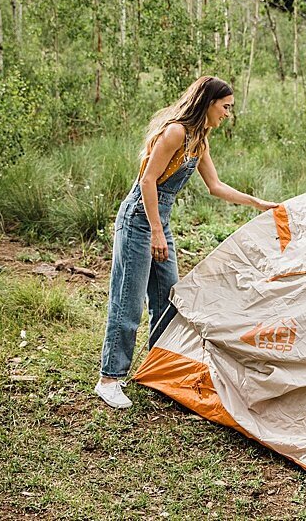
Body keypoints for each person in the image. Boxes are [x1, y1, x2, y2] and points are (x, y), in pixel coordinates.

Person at [95, 76, 278, 409]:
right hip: (139, 218)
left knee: (168, 299)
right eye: (225, 107)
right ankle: (110, 378)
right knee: (128, 302)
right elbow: (148, 181)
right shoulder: (176, 132)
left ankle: (159, 370)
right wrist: (155, 231)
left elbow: (217, 186)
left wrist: (258, 203)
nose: (226, 114)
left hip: (157, 221)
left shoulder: (199, 141)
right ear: (208, 103)